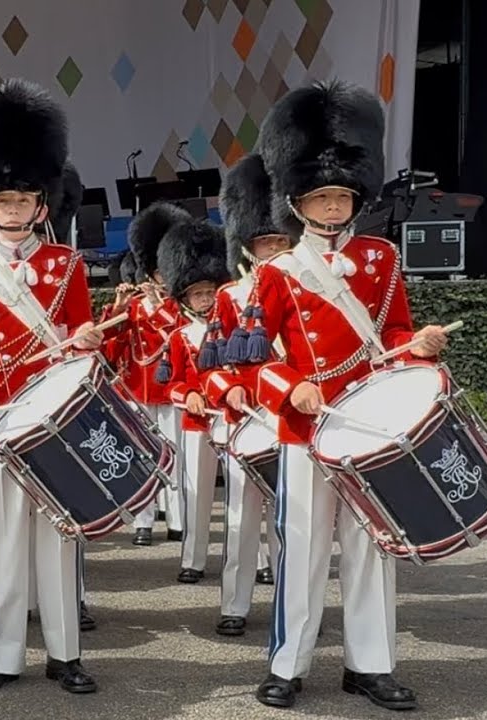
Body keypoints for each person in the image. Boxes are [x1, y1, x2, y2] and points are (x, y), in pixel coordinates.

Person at [229, 80, 448, 711]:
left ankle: (370, 664)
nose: (331, 207)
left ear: (356, 196)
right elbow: (248, 355)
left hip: (369, 423)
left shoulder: (381, 258)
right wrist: (288, 385)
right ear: (297, 202)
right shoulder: (276, 272)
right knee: (300, 547)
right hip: (306, 427)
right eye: (320, 197)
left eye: (340, 196)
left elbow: (397, 332)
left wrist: (421, 344)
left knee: (371, 545)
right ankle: (288, 663)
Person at [0, 78, 102, 695]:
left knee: (59, 538)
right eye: (1, 201)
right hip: (1, 422)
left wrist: (89, 340)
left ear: (42, 205)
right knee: (3, 542)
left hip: (55, 418)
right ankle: (1, 652)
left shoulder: (69, 267)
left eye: (23, 200)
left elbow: (88, 333)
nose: (12, 211)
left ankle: (65, 652)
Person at [200, 152, 286, 637]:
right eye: (264, 240)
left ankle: (288, 601)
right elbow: (210, 362)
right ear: (248, 244)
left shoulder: (308, 283)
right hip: (248, 417)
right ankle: (234, 604)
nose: (273, 247)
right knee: (240, 517)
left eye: (279, 238)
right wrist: (230, 389)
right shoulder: (231, 295)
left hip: (296, 417)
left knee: (293, 522)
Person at [102, 202, 192, 547]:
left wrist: (159, 307)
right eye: (155, 274)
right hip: (138, 390)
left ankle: (178, 519)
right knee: (142, 457)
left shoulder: (179, 308)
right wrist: (119, 310)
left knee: (177, 458)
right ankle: (143, 522)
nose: (160, 281)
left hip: (171, 389)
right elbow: (108, 349)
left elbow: (183, 340)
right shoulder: (133, 307)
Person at [154, 219, 232, 584]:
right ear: (185, 298)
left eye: (209, 291)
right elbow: (172, 383)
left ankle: (257, 559)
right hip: (197, 420)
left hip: (232, 416)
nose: (205, 299)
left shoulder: (236, 328)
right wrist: (189, 396)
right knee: (195, 492)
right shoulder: (180, 336)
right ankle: (193, 558)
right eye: (197, 294)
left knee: (242, 497)